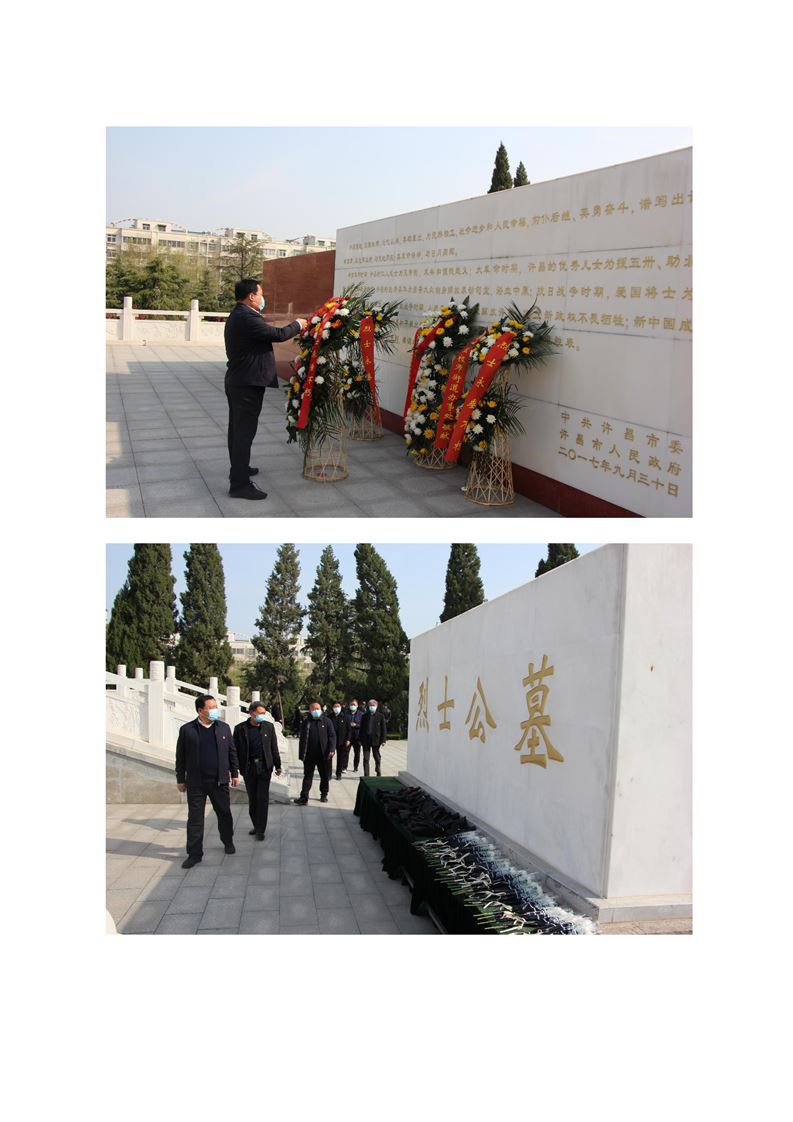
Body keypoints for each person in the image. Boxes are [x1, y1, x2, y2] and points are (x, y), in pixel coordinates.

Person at [224, 278, 306, 500]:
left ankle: (240, 468)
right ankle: (239, 484)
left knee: (238, 431)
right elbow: (277, 335)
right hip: (246, 384)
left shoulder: (240, 314)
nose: (263, 299)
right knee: (243, 433)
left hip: (240, 381)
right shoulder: (247, 317)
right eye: (261, 294)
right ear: (251, 296)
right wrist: (298, 324)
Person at [175, 694, 239, 868]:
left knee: (224, 814)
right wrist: (180, 778)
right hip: (196, 783)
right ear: (200, 710)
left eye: (215, 707)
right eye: (210, 708)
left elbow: (232, 752)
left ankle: (228, 841)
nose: (214, 710)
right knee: (195, 819)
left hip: (219, 782)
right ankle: (194, 854)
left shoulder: (223, 728)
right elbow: (180, 756)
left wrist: (234, 773)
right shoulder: (187, 730)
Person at [233, 701, 282, 841]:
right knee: (253, 799)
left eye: (264, 713)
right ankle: (256, 825)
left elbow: (274, 747)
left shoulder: (268, 727)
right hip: (249, 768)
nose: (262, 716)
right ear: (251, 713)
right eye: (259, 713)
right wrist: (234, 770)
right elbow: (234, 750)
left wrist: (278, 765)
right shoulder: (240, 729)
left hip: (264, 767)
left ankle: (261, 829)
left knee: (262, 799)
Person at [294, 701, 336, 805]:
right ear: (310, 711)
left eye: (317, 708)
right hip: (309, 755)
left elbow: (332, 736)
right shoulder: (306, 722)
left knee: (324, 776)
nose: (316, 711)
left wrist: (331, 749)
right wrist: (301, 754)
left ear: (321, 709)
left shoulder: (327, 721)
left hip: (324, 754)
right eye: (313, 709)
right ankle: (304, 797)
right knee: (307, 776)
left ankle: (324, 794)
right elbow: (302, 739)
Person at [360, 698, 387, 777]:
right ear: (368, 706)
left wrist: (383, 740)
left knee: (376, 757)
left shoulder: (380, 716)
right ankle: (366, 775)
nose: (372, 707)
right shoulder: (364, 716)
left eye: (373, 705)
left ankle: (378, 770)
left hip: (376, 740)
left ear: (376, 706)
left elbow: (383, 729)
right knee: (366, 758)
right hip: (366, 740)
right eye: (370, 705)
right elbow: (361, 728)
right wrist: (360, 739)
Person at [328, 701, 351, 780]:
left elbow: (349, 730)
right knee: (329, 757)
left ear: (341, 707)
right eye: (335, 706)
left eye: (338, 706)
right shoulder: (329, 717)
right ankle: (328, 774)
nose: (336, 708)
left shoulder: (346, 717)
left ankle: (338, 774)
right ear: (332, 708)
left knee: (340, 758)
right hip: (331, 741)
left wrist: (348, 739)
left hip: (342, 740)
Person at [346, 699, 362, 771]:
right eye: (351, 704)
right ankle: (344, 767)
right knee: (346, 753)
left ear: (357, 705)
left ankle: (356, 767)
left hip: (357, 737)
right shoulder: (346, 714)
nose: (353, 706)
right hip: (348, 737)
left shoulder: (361, 714)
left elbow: (363, 725)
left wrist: (356, 725)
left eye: (354, 704)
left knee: (357, 753)